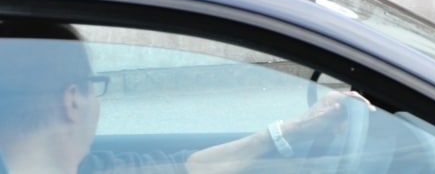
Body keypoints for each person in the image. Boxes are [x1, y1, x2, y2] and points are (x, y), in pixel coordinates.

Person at [0, 19, 364, 174]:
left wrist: (292, 131)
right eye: (96, 86)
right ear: (73, 101)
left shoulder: (88, 168)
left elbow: (185, 167)